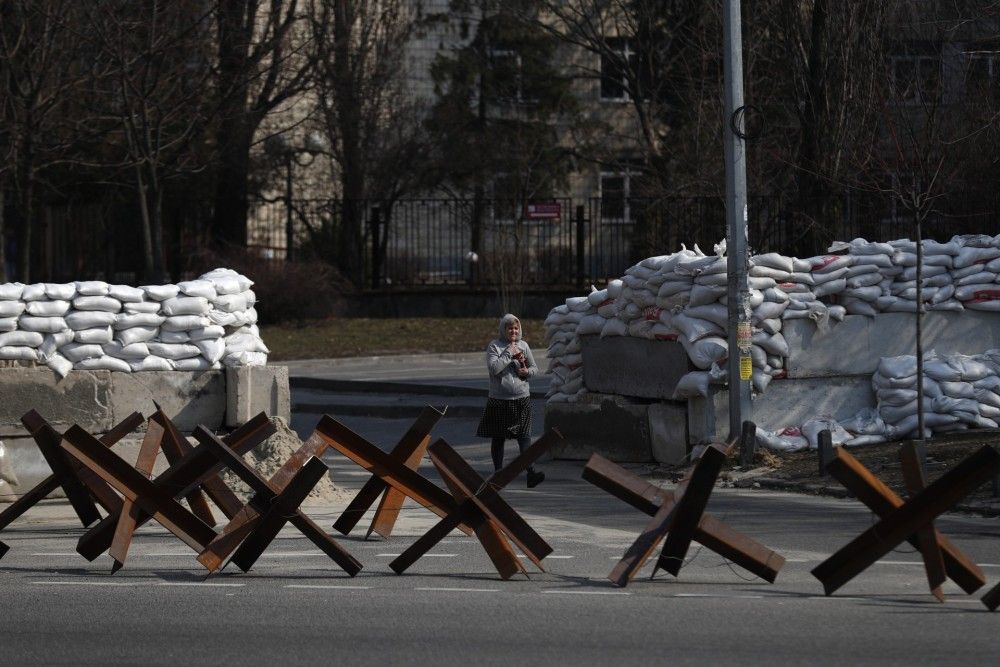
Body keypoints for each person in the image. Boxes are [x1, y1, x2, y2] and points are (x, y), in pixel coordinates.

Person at [476, 313, 544, 488]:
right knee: (498, 438)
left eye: (516, 328)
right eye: (509, 328)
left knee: (524, 437)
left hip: (522, 398)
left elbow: (535, 368)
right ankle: (498, 473)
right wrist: (508, 353)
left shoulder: (524, 346)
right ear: (503, 330)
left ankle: (531, 472)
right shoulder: (494, 346)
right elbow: (494, 369)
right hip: (500, 399)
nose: (513, 331)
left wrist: (526, 372)